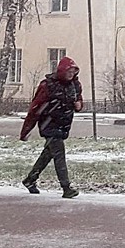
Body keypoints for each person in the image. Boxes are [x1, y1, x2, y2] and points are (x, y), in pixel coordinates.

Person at [20, 55, 83, 198]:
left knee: (47, 155)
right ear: (62, 71)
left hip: (63, 125)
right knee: (59, 155)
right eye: (68, 72)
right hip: (49, 125)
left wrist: (79, 105)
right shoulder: (48, 85)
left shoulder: (75, 85)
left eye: (73, 72)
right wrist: (25, 131)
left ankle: (30, 179)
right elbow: (35, 109)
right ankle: (66, 188)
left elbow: (78, 99)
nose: (71, 75)